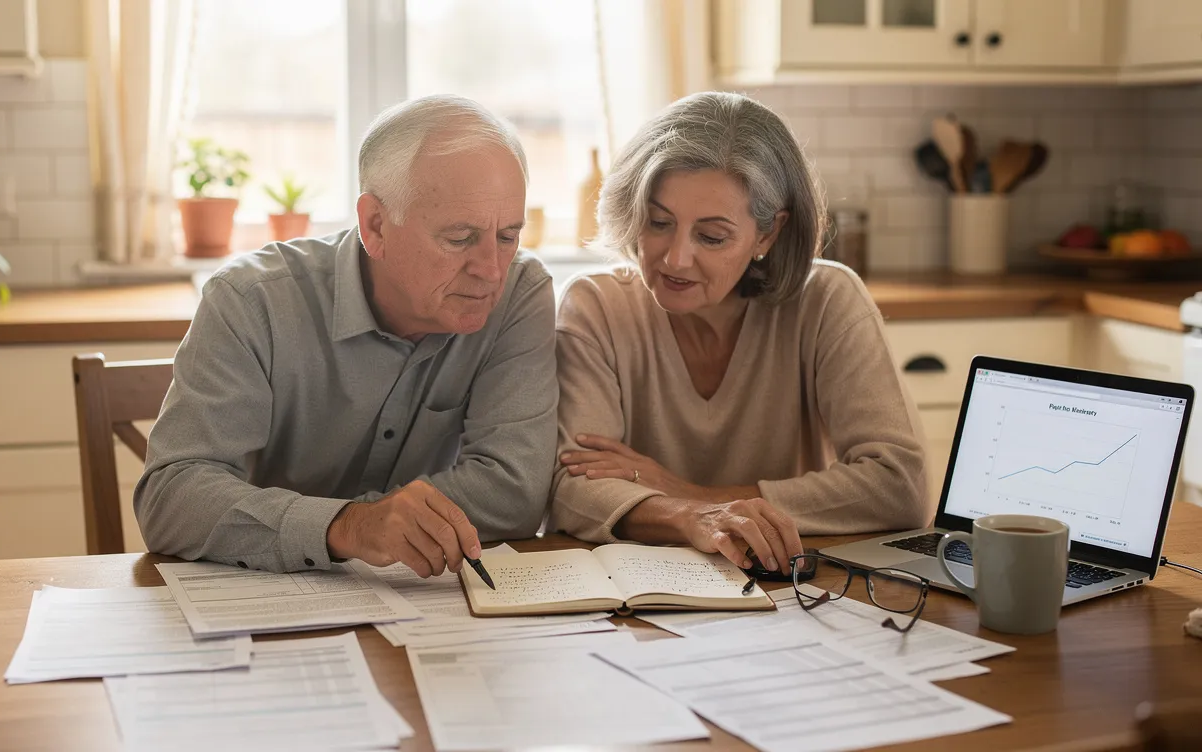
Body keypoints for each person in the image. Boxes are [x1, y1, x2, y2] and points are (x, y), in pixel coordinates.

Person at [136, 95, 557, 576]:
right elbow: (172, 497)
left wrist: (362, 525)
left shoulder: (520, 293)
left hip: (431, 610)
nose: (490, 271)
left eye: (507, 236)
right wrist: (348, 526)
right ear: (375, 225)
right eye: (459, 238)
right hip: (269, 607)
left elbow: (515, 494)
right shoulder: (252, 300)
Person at [549, 92, 929, 575]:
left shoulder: (828, 299)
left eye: (711, 236)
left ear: (767, 235)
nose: (675, 258)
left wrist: (693, 495)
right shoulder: (596, 306)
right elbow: (574, 488)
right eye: (658, 222)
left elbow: (899, 487)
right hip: (646, 598)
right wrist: (692, 517)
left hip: (790, 585)